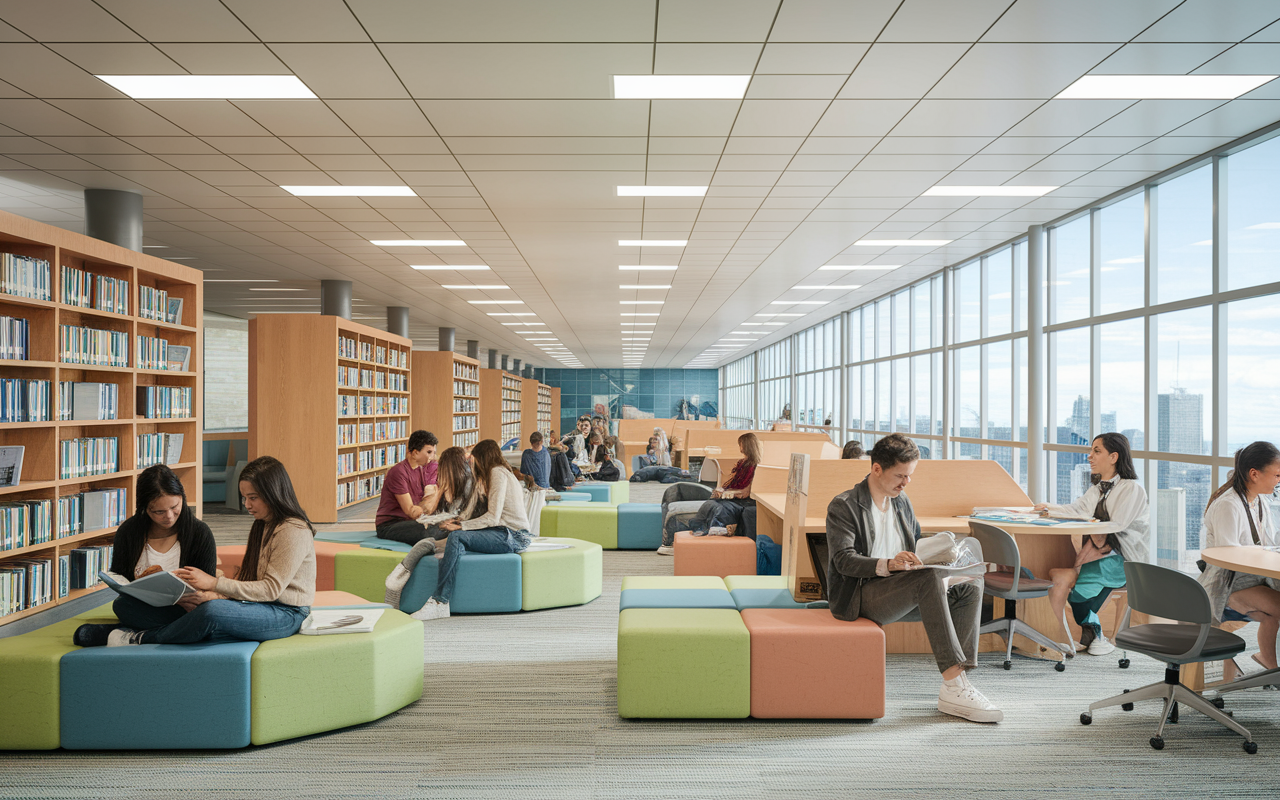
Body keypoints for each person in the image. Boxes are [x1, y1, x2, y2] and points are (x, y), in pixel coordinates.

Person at [826, 433, 1001, 723]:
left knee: (969, 584)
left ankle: (955, 684)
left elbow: (916, 542)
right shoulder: (844, 505)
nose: (906, 482)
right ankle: (956, 684)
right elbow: (843, 561)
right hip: (862, 594)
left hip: (904, 587)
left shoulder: (901, 501)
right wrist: (888, 564)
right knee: (927, 580)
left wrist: (942, 554)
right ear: (877, 469)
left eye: (910, 476)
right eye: (901, 475)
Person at [77, 456, 316, 647]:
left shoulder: (292, 530)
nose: (247, 505)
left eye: (252, 498)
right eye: (244, 498)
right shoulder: (263, 525)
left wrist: (213, 585)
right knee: (124, 605)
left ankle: (139, 637)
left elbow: (271, 589)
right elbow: (250, 582)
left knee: (211, 613)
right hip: (259, 607)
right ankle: (185, 631)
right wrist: (217, 594)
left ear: (273, 493)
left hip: (287, 613)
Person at [72, 465, 217, 646]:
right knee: (122, 605)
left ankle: (134, 635)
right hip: (146, 608)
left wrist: (185, 599)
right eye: (159, 512)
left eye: (175, 507)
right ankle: (180, 633)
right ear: (145, 508)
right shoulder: (129, 532)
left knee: (208, 614)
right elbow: (122, 578)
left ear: (183, 499)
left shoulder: (199, 533)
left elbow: (207, 584)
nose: (169, 517)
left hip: (187, 609)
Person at [1034, 432, 1149, 656]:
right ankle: (1093, 635)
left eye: (1097, 451)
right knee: (1077, 593)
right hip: (1097, 555)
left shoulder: (1131, 488)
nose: (1090, 456)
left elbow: (1117, 524)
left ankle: (1094, 632)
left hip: (1121, 557)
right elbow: (1076, 509)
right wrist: (1048, 508)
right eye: (1091, 451)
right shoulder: (1098, 488)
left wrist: (1085, 520)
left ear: (1114, 456)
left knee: (1079, 597)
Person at [414, 439, 532, 621]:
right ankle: (440, 600)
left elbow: (493, 517)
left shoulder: (497, 473)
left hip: (513, 536)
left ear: (482, 458)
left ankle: (440, 602)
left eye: (474, 459)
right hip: (506, 532)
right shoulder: (501, 472)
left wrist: (461, 526)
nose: (472, 464)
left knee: (457, 537)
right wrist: (460, 522)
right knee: (456, 539)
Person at [1198, 441, 1280, 678]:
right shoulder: (1228, 505)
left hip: (1252, 578)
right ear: (1254, 474)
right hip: (1228, 584)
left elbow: (1268, 541)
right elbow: (1229, 559)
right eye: (1276, 475)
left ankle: (1268, 659)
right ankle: (1271, 664)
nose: (1278, 480)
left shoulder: (1259, 500)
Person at [384, 446, 477, 607]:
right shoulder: (457, 482)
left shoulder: (468, 483)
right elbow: (444, 511)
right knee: (424, 534)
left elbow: (465, 516)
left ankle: (399, 575)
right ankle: (399, 575)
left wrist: (445, 520)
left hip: (458, 530)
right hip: (448, 527)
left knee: (422, 534)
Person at [686, 432, 762, 539]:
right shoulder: (742, 463)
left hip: (745, 500)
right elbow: (734, 484)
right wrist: (723, 491)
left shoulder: (755, 466)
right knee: (710, 503)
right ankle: (699, 528)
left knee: (721, 508)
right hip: (736, 497)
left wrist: (729, 493)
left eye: (741, 444)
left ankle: (716, 531)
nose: (740, 448)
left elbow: (746, 492)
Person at [374, 430, 439, 545]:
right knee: (429, 529)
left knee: (443, 526)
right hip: (390, 525)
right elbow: (410, 510)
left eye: (433, 452)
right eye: (429, 452)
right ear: (414, 453)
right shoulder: (398, 472)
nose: (432, 457)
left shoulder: (420, 469)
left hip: (410, 522)